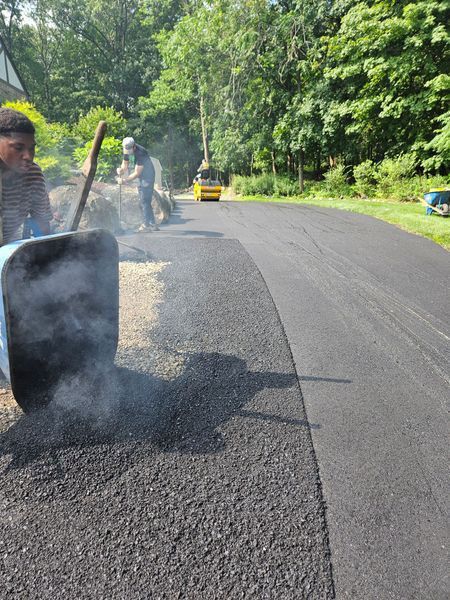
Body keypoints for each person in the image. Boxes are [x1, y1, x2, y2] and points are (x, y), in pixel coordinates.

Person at [0, 107, 52, 245]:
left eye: (31, 148)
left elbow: (41, 222)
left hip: (7, 251)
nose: (28, 156)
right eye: (18, 148)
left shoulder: (33, 174)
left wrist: (51, 255)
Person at [116, 137, 159, 232]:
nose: (127, 151)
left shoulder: (141, 153)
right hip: (141, 177)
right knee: (144, 201)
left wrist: (124, 180)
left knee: (144, 201)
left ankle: (145, 225)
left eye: (129, 149)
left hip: (148, 176)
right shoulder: (127, 149)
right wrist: (121, 170)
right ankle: (152, 224)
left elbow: (137, 173)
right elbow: (125, 163)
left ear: (134, 146)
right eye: (126, 149)